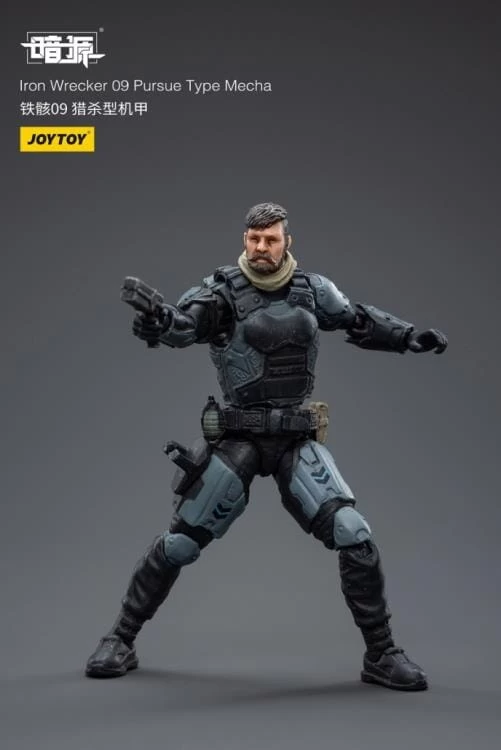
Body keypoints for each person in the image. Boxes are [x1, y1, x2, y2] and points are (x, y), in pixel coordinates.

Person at [85, 202, 447, 690]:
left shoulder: (312, 290)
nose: (260, 247)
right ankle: (120, 638)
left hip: (295, 438)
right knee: (181, 542)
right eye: (253, 239)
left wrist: (407, 336)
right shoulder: (220, 294)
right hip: (239, 438)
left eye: (270, 239)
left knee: (353, 532)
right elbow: (185, 325)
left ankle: (382, 654)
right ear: (244, 240)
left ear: (286, 242)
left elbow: (357, 320)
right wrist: (159, 323)